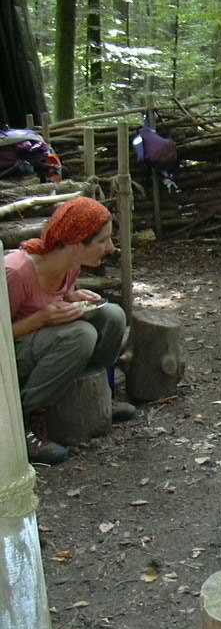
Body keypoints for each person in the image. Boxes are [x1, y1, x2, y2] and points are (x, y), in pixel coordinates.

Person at [5, 197, 136, 466]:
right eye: (103, 240)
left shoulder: (71, 265)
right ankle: (24, 421)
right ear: (76, 243)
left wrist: (71, 298)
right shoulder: (15, 273)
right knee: (81, 335)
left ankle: (98, 394)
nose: (110, 248)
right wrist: (40, 319)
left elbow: (55, 300)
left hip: (45, 343)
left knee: (112, 315)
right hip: (10, 357)